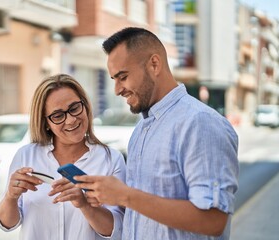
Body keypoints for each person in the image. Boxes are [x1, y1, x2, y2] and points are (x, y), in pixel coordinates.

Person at [75, 27, 239, 239]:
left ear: (154, 64)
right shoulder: (141, 130)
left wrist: (125, 196)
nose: (117, 89)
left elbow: (213, 220)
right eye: (114, 79)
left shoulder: (199, 123)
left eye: (122, 76)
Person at [0, 74, 125, 240]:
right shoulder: (26, 156)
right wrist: (10, 197)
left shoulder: (111, 159)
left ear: (85, 106)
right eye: (57, 115)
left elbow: (117, 230)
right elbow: (7, 224)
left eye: (74, 108)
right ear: (46, 123)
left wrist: (85, 205)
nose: (71, 120)